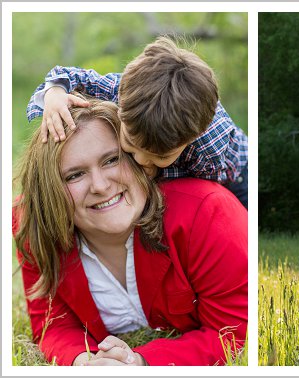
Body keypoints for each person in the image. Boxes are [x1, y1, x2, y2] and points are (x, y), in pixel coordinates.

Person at [13, 98, 248, 366]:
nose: (100, 186)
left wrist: (140, 362)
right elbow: (53, 326)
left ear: (141, 159)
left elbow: (232, 333)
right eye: (74, 175)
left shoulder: (207, 213)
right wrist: (86, 363)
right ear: (51, 190)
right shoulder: (35, 227)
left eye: (112, 160)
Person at [25, 36, 248, 208]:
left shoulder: (208, 151)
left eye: (161, 156)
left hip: (238, 178)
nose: (141, 159)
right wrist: (54, 94)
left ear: (191, 139)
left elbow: (202, 194)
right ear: (120, 104)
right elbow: (66, 75)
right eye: (131, 142)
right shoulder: (123, 90)